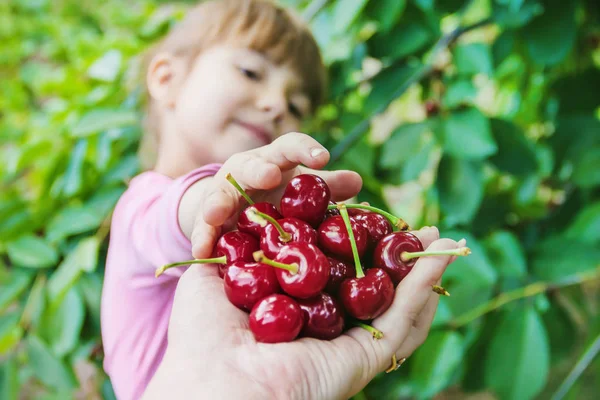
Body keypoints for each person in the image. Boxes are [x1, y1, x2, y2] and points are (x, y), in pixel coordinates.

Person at [99, 1, 464, 399]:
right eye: (250, 71)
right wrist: (218, 197)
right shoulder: (142, 204)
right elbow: (179, 214)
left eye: (296, 107)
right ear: (166, 79)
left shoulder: (267, 232)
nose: (275, 105)